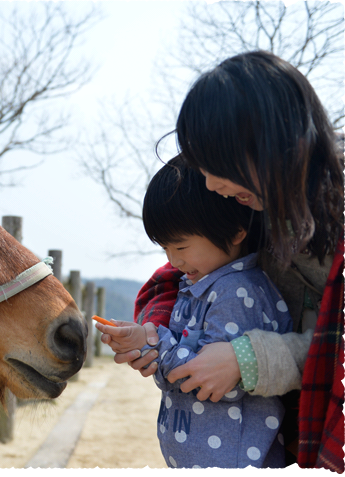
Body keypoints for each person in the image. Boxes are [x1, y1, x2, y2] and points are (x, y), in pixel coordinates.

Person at [98, 50, 345, 471]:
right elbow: (173, 285)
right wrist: (154, 336)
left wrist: (247, 360)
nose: (211, 184)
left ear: (272, 142)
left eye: (216, 164)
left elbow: (333, 350)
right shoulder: (255, 210)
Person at [108, 155, 292, 469]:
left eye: (180, 247)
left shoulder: (237, 291)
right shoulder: (197, 284)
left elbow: (212, 382)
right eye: (164, 248)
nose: (173, 261)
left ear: (235, 232)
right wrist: (146, 341)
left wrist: (154, 344)